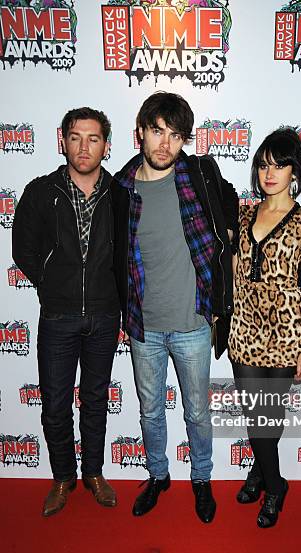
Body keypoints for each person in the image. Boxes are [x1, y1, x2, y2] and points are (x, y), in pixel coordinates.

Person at [114, 91, 238, 524]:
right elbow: (116, 259)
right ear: (140, 134)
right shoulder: (121, 189)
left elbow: (230, 226)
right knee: (149, 410)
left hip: (193, 325)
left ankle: (201, 478)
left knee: (197, 411)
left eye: (175, 135)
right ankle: (158, 474)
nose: (165, 144)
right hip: (143, 328)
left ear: (185, 140)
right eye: (157, 132)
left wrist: (221, 298)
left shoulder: (201, 174)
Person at [12, 107, 127, 516]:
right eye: (76, 137)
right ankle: (63, 477)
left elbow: (130, 256)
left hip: (104, 314)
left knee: (95, 400)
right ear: (63, 140)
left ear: (106, 146)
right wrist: (51, 280)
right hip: (58, 315)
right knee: (56, 403)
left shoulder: (120, 194)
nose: (84, 146)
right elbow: (23, 249)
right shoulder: (41, 191)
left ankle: (93, 473)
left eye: (93, 138)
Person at [228, 128, 301, 528]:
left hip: (287, 334)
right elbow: (233, 267)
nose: (271, 173)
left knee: (270, 416)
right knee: (257, 417)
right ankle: (270, 478)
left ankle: (270, 482)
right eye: (264, 164)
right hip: (244, 328)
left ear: (294, 171)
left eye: (280, 164)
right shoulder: (243, 214)